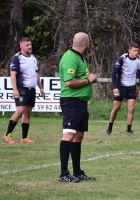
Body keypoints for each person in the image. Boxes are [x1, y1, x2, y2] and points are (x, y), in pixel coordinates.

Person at [58, 32, 98, 183]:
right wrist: (88, 80)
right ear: (84, 44)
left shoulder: (79, 57)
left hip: (80, 102)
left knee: (78, 136)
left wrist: (89, 79)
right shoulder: (70, 58)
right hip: (71, 102)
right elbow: (69, 82)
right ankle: (63, 174)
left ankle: (77, 172)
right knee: (69, 134)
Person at [3, 37, 45, 144]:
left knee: (27, 112)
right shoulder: (16, 58)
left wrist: (41, 88)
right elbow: (13, 74)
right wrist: (15, 89)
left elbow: (37, 74)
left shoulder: (33, 58)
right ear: (21, 46)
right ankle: (7, 135)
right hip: (21, 89)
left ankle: (24, 138)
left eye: (30, 44)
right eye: (27, 45)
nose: (30, 47)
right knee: (20, 110)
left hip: (32, 89)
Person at [105, 42, 140, 135]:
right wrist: (115, 87)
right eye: (134, 50)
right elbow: (114, 73)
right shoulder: (122, 59)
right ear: (129, 50)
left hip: (131, 87)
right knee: (116, 107)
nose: (136, 52)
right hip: (121, 86)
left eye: (137, 51)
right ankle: (109, 128)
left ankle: (129, 130)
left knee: (131, 108)